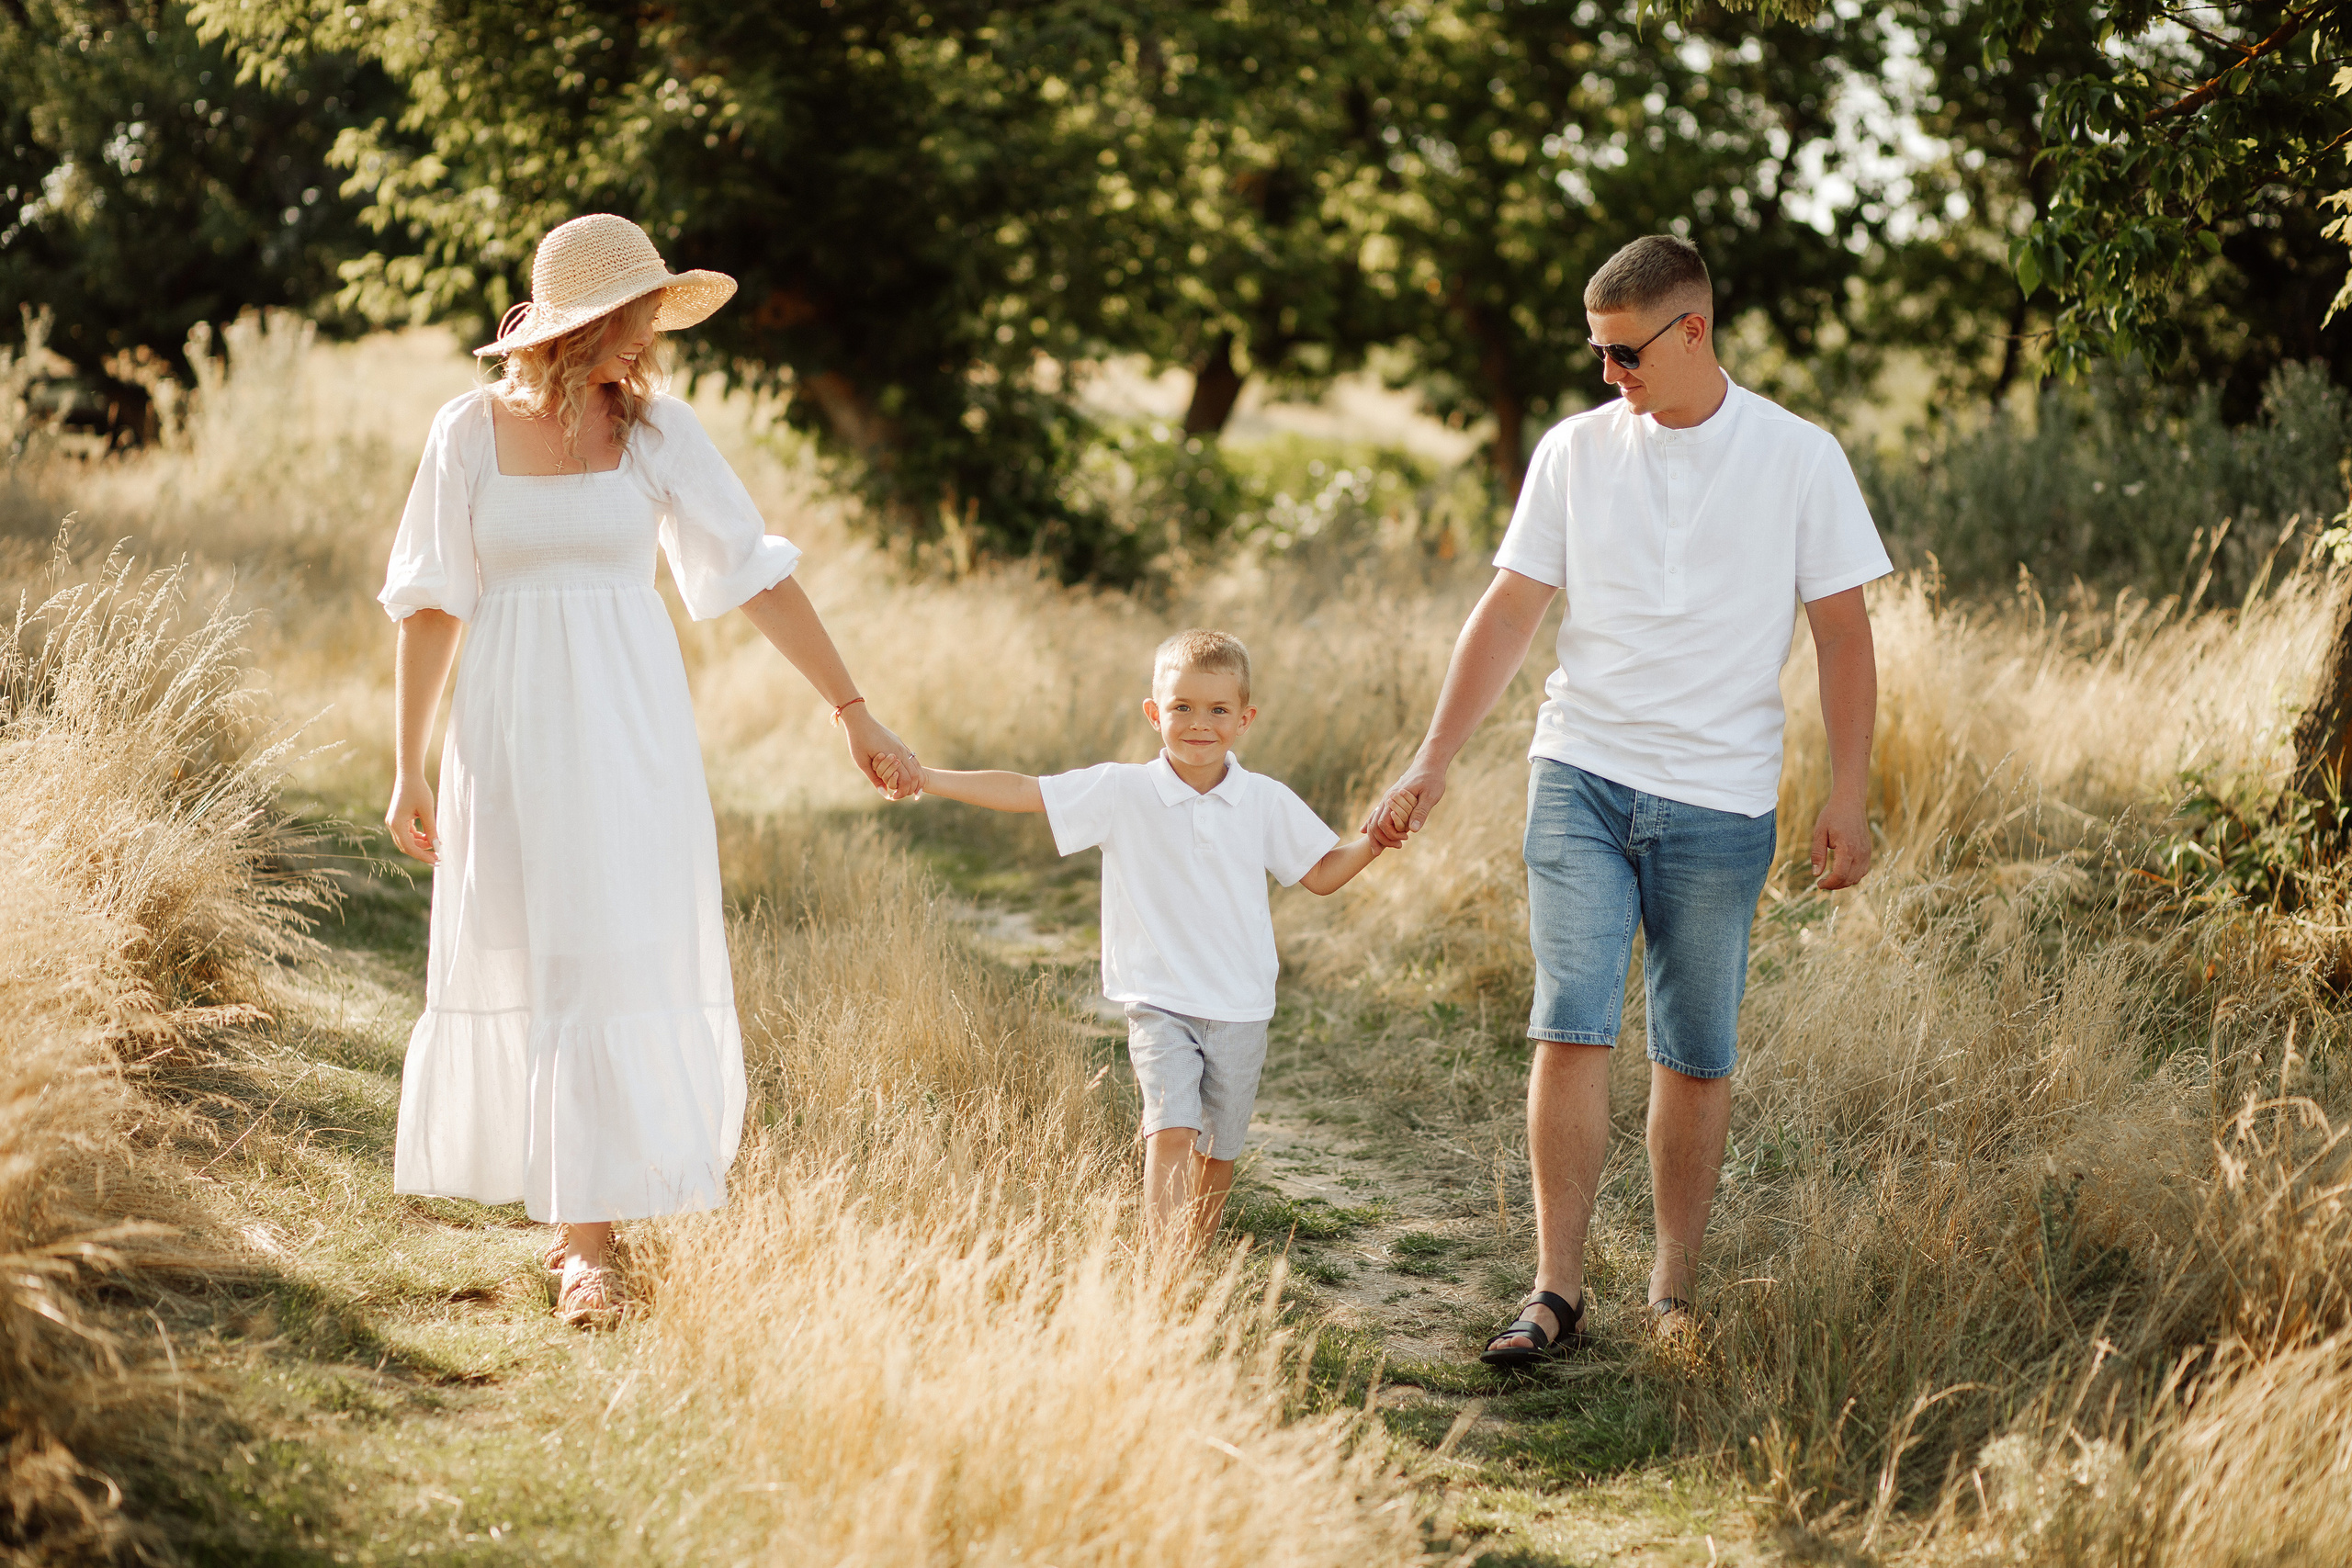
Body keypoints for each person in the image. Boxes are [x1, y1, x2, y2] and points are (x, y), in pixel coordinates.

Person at [379, 213, 922, 1327]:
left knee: (610, 953)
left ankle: (588, 1243)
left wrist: (852, 710)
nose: (648, 342)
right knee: (539, 948)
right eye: (634, 320)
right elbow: (432, 602)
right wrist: (409, 766)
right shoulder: (467, 434)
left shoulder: (661, 435)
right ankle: (576, 1222)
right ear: (577, 326)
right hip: (511, 723)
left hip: (630, 725)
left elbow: (756, 576)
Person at [1364, 234, 1888, 1365]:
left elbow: (1843, 635)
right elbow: (1508, 612)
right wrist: (1432, 756)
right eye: (1597, 354)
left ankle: (1672, 1295)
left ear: (1691, 330)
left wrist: (1849, 794)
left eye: (1623, 352)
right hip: (1581, 778)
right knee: (1570, 1021)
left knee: (1695, 1051)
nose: (1609, 375)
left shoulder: (1799, 458)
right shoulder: (1574, 452)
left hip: (1720, 799)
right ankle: (1555, 1292)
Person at [879, 630, 1384, 1253]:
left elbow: (1322, 873)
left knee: (1217, 1151)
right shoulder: (1123, 790)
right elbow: (1023, 790)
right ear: (1155, 713)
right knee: (1170, 1128)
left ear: (1245, 718)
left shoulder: (1263, 801)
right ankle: (1161, 1267)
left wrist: (1377, 841)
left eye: (1218, 709)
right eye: (1182, 707)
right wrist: (924, 775)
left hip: (1240, 1005)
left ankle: (1191, 1258)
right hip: (1158, 1000)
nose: (1199, 723)